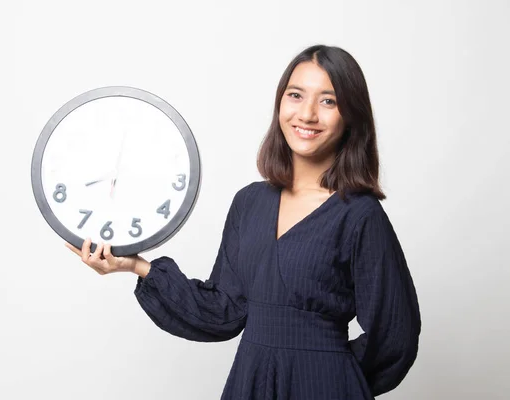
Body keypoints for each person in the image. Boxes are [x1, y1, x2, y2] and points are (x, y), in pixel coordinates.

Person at [66, 44, 421, 399]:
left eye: (328, 101)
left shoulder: (360, 215)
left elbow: (395, 337)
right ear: (280, 104)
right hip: (250, 384)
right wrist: (136, 266)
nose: (308, 114)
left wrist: (335, 378)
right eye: (296, 95)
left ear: (351, 116)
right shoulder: (249, 203)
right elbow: (223, 311)